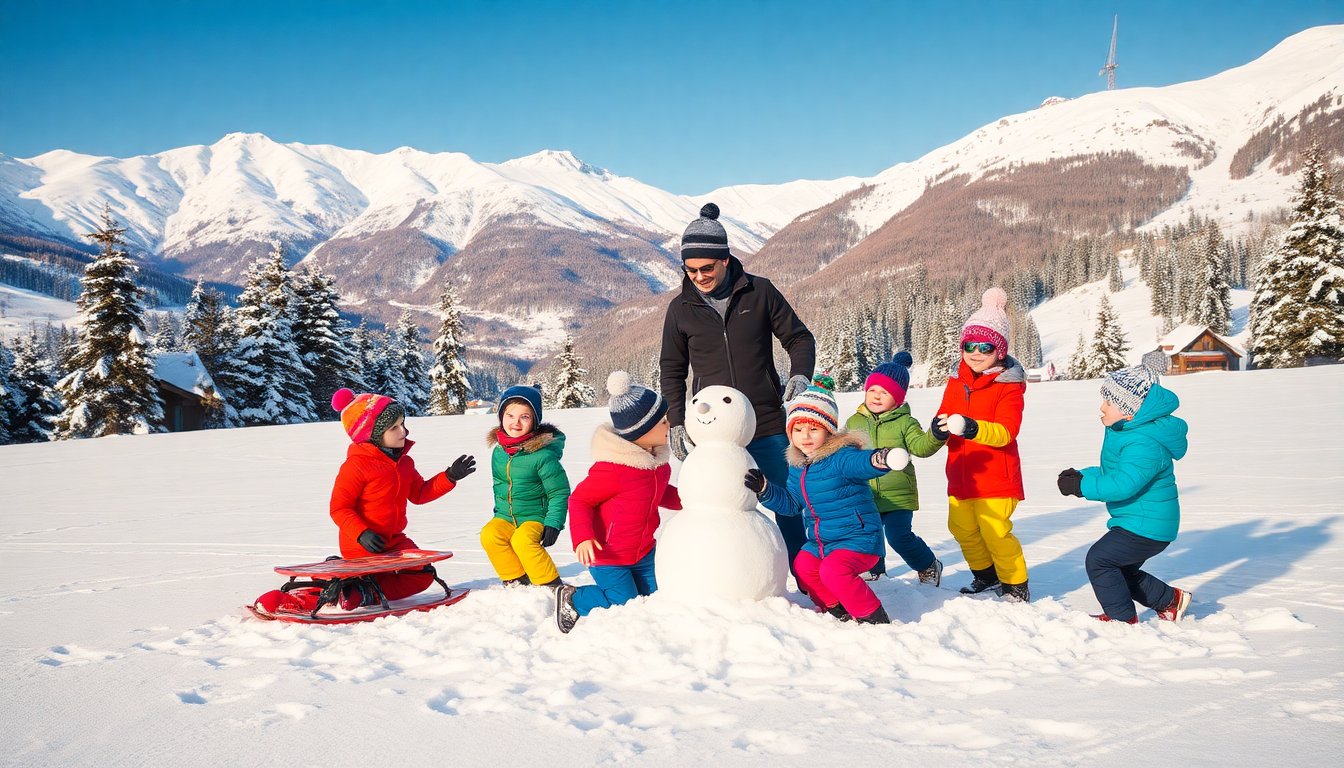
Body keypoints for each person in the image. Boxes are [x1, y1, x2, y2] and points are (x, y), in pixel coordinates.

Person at [660, 202, 816, 569]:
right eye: (690, 269)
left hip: (766, 423)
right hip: (712, 433)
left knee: (791, 505)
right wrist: (678, 420)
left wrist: (800, 374)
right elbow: (672, 368)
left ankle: (808, 578)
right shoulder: (680, 308)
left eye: (706, 268)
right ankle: (724, 578)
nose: (698, 276)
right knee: (712, 507)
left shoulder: (760, 292)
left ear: (726, 260)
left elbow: (799, 338)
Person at [254, 387, 477, 614]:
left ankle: (359, 591)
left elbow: (419, 494)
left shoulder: (404, 463)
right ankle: (339, 587)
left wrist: (449, 477)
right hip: (361, 543)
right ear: (373, 434)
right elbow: (339, 508)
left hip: (394, 540)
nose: (404, 431)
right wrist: (362, 533)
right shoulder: (356, 466)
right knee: (377, 573)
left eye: (403, 423)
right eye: (395, 427)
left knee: (423, 574)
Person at [745, 376, 908, 625]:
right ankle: (836, 607)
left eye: (814, 429)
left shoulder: (841, 457)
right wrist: (766, 490)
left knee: (834, 571)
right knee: (803, 566)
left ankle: (873, 618)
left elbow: (862, 463)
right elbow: (790, 504)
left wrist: (880, 459)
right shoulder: (799, 466)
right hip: (823, 541)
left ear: (828, 430)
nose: (805, 436)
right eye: (798, 430)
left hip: (859, 538)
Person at [1058, 350, 1192, 623]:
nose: (1102, 407)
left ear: (1130, 412)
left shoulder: (1144, 443)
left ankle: (1121, 620)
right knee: (1120, 569)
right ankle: (1170, 600)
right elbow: (1113, 472)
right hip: (1141, 521)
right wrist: (1079, 475)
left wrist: (1082, 487)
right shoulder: (1128, 431)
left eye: (1109, 401)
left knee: (1099, 561)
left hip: (1147, 525)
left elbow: (1122, 485)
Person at [555, 372, 682, 633]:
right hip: (608, 555)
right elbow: (579, 500)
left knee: (659, 596)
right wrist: (583, 538)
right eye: (663, 422)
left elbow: (660, 493)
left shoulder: (657, 465)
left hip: (643, 550)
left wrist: (692, 499)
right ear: (642, 429)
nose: (669, 425)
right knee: (623, 603)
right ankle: (574, 598)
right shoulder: (613, 469)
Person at [932, 287, 1031, 602]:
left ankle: (1016, 584)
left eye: (985, 347)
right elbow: (945, 413)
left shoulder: (1009, 386)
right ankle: (985, 575)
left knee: (995, 532)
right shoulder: (956, 379)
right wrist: (939, 427)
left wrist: (973, 428)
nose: (975, 352)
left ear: (999, 351)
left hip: (995, 477)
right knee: (961, 528)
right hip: (961, 474)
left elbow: (1006, 432)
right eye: (969, 345)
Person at [845, 351, 947, 583]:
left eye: (885, 392)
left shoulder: (905, 422)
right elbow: (844, 453)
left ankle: (928, 564)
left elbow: (921, 447)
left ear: (898, 398)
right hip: (866, 493)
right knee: (869, 535)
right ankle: (874, 570)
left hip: (898, 495)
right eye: (872, 390)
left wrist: (936, 435)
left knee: (898, 536)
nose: (876, 396)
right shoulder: (854, 422)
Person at [482, 385, 570, 588]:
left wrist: (553, 523)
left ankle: (550, 585)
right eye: (510, 415)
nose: (516, 423)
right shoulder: (499, 452)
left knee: (522, 541)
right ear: (501, 417)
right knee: (490, 534)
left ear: (535, 421)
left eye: (525, 417)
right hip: (506, 516)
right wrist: (499, 511)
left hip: (536, 517)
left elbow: (559, 492)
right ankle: (516, 580)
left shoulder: (543, 455)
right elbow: (501, 486)